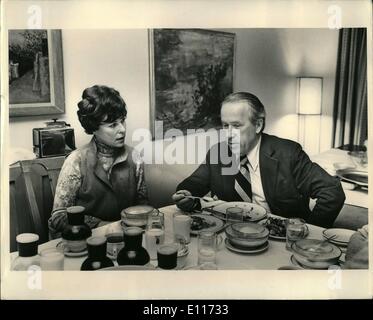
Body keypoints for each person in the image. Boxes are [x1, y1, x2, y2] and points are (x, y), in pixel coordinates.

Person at [172, 92, 345, 228]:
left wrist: (311, 231)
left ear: (258, 125)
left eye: (237, 126)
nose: (229, 134)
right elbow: (194, 183)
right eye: (226, 126)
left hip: (280, 237)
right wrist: (185, 194)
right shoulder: (218, 152)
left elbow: (332, 192)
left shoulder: (288, 153)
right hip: (232, 233)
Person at [49, 85, 148, 238]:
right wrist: (101, 226)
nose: (122, 129)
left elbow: (143, 206)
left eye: (123, 121)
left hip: (126, 240)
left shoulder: (134, 157)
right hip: (86, 241)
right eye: (113, 125)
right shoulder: (76, 160)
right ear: (93, 127)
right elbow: (58, 216)